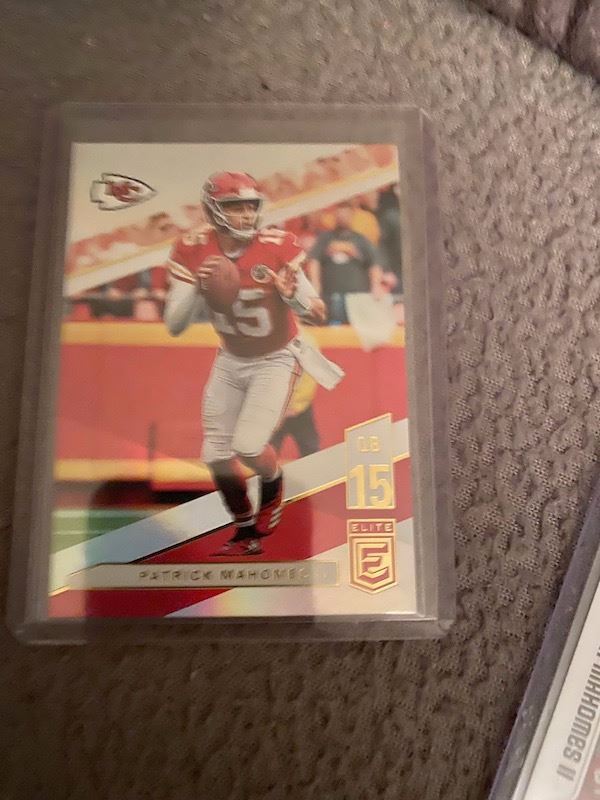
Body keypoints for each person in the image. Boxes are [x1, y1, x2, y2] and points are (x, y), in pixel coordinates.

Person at [164, 171, 330, 556]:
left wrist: (293, 297)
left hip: (276, 357)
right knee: (215, 456)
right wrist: (199, 288)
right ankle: (244, 532)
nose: (245, 215)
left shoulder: (276, 247)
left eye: (250, 206)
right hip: (231, 359)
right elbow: (174, 325)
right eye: (234, 207)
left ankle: (273, 481)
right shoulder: (193, 249)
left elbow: (318, 313)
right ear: (212, 210)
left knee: (249, 446)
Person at [308, 201, 385, 324]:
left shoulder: (361, 240)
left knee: (356, 328)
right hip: (331, 296)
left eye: (346, 212)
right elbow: (314, 261)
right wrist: (315, 286)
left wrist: (376, 286)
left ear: (352, 215)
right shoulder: (325, 238)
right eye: (340, 212)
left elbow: (374, 264)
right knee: (334, 328)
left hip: (357, 297)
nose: (342, 216)